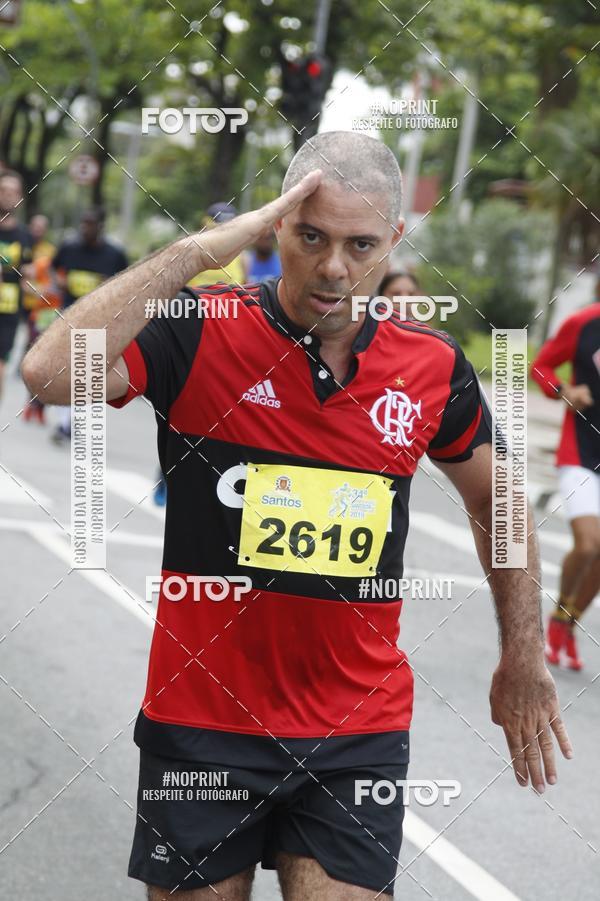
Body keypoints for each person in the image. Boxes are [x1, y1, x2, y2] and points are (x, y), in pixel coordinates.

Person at [23, 131, 572, 901]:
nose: (334, 267)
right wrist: (194, 254)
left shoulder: (432, 366)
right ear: (275, 225)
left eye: (360, 244)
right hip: (202, 723)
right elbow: (48, 373)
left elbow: (498, 498)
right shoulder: (199, 327)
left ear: (395, 239)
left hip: (356, 730)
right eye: (311, 237)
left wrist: (523, 652)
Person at [531, 290, 600, 670]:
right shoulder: (583, 323)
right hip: (580, 451)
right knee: (588, 544)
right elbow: (541, 367)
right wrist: (565, 391)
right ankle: (560, 616)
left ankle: (567, 625)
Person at [50, 207, 128, 443]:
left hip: (99, 321)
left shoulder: (115, 254)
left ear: (101, 226)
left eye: (90, 223)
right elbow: (53, 267)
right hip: (68, 315)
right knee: (65, 369)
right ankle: (64, 424)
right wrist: (58, 281)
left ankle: (77, 423)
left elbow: (128, 281)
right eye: (83, 223)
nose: (85, 228)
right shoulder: (69, 247)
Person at [21, 214, 59, 423]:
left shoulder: (58, 259)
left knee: (52, 365)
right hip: (40, 315)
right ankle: (30, 404)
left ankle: (41, 407)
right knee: (36, 362)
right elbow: (25, 280)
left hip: (62, 316)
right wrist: (41, 291)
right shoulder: (44, 262)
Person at [0, 170, 33, 404]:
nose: (8, 195)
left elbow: (28, 275)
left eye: (14, 191)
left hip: (8, 310)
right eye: (3, 190)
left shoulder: (24, 235)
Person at [188, 202, 247, 289]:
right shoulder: (192, 252)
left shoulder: (241, 256)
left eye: (228, 230)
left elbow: (245, 287)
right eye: (218, 229)